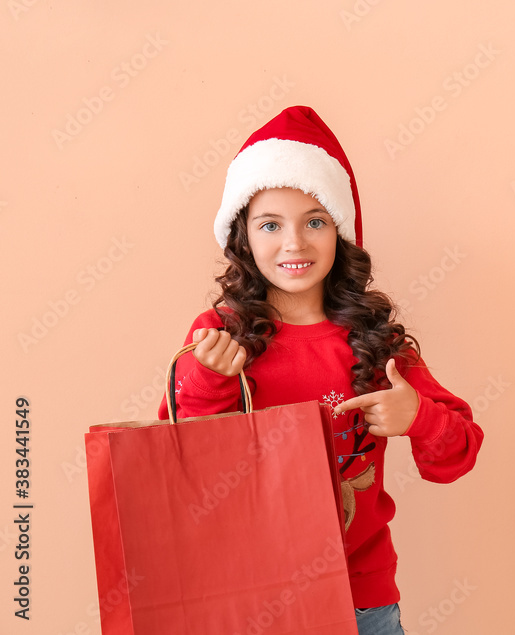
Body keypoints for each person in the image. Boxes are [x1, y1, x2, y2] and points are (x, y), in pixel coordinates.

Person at [157, 105, 484, 635]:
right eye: (270, 224)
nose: (294, 243)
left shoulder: (376, 342)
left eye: (315, 221)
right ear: (243, 237)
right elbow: (182, 458)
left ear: (341, 232)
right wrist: (207, 380)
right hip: (246, 594)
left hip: (361, 599)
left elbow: (456, 456)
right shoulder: (218, 332)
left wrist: (418, 415)